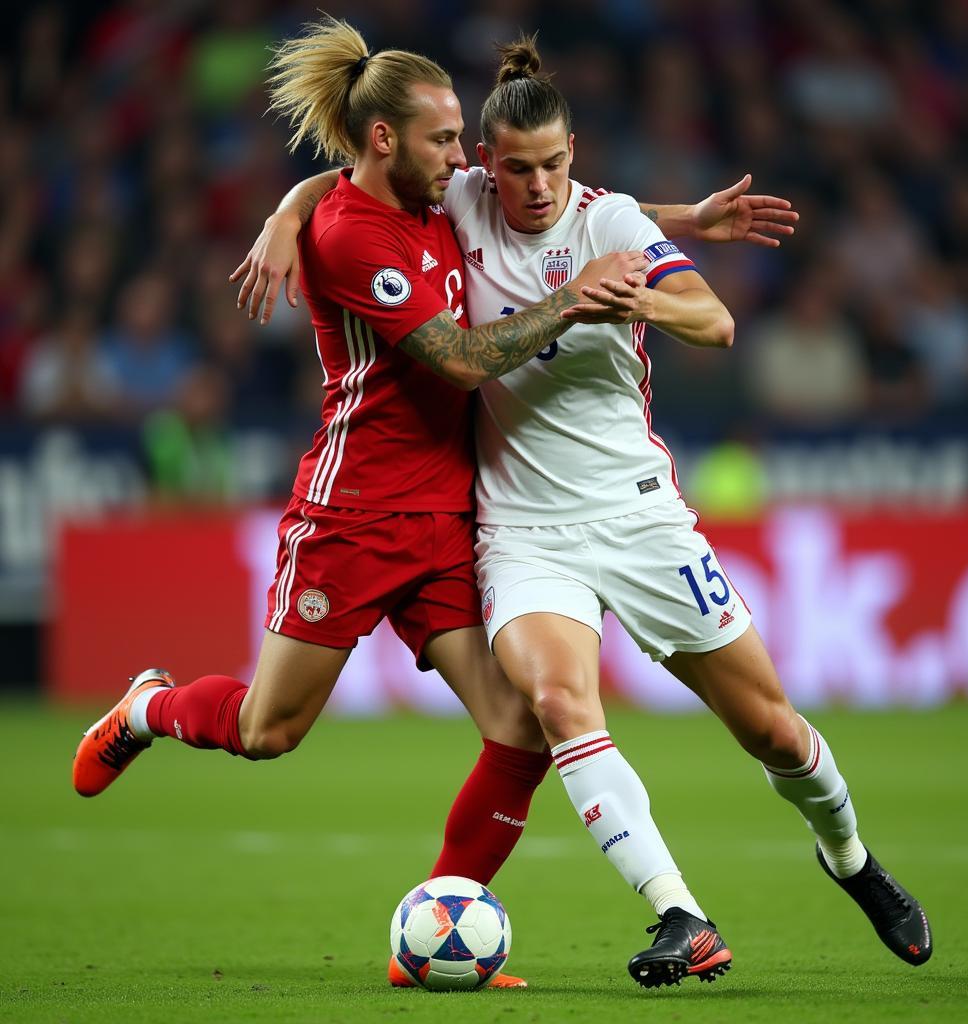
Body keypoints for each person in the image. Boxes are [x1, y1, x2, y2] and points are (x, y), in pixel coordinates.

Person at [253, 34, 932, 989]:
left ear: (576, 159)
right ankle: (680, 915)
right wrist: (288, 209)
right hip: (523, 532)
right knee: (560, 702)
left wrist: (645, 293)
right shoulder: (461, 201)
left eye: (557, 166)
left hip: (640, 517)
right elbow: (358, 183)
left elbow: (717, 320)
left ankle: (853, 861)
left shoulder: (608, 222)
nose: (538, 187)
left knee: (774, 731)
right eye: (517, 169)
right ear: (485, 166)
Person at [71, 17, 644, 991]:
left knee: (518, 728)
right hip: (351, 521)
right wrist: (573, 302)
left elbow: (554, 200)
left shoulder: (432, 200)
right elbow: (460, 363)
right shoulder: (348, 235)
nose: (460, 158)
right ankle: (148, 707)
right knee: (268, 732)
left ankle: (437, 934)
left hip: (450, 520)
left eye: (462, 140)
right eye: (443, 140)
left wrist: (678, 227)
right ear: (384, 140)